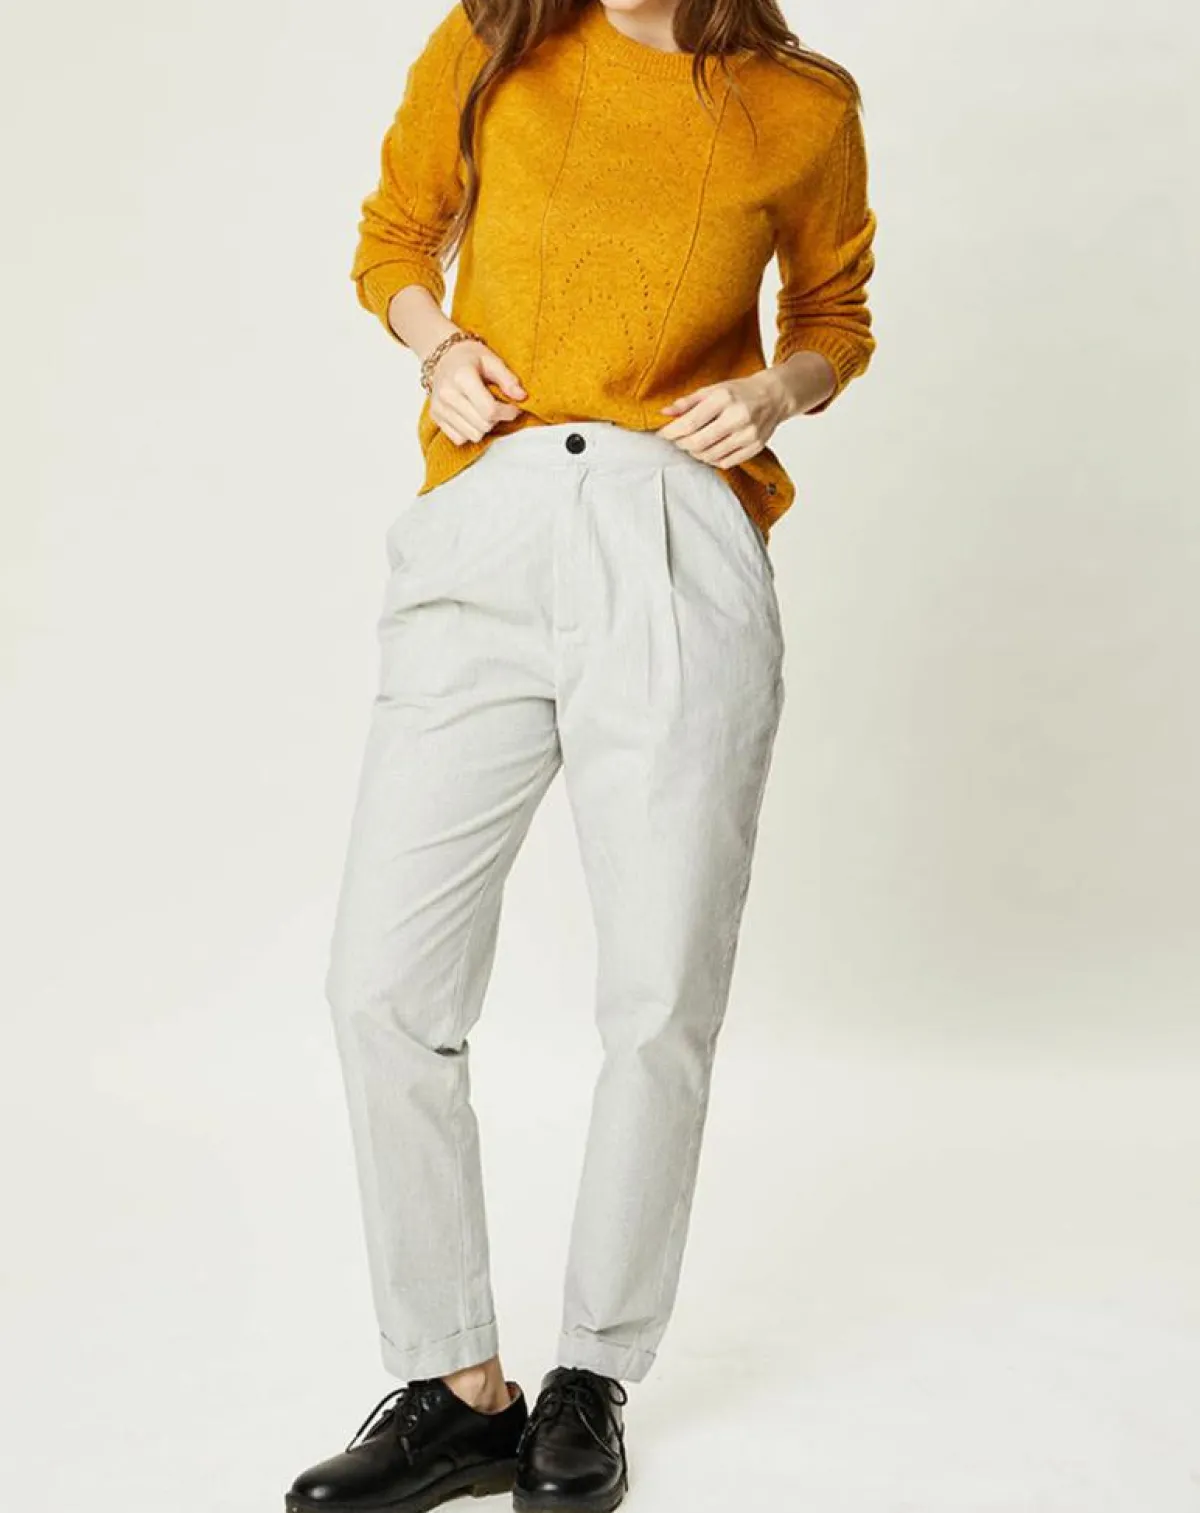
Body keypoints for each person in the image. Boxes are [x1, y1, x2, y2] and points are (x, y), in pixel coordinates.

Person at [286, 1, 876, 1509]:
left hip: (674, 535)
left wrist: (775, 391)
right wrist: (438, 347)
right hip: (486, 528)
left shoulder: (799, 103)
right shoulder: (495, 39)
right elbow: (394, 240)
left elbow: (835, 314)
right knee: (381, 985)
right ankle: (453, 1386)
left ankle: (589, 1379)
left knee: (660, 995)